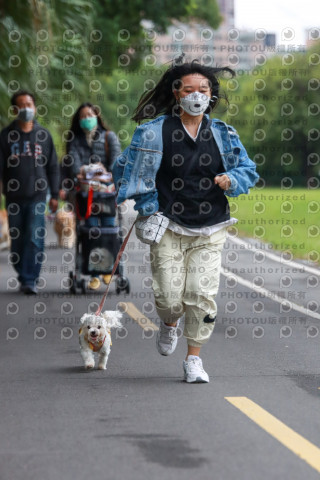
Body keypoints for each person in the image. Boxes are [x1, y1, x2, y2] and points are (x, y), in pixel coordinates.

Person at [112, 60, 259, 383]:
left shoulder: (224, 134)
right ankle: (168, 323)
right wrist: (141, 198)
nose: (196, 95)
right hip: (168, 225)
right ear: (176, 93)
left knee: (201, 295)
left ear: (211, 96)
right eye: (189, 89)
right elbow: (123, 166)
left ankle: (194, 359)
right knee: (168, 298)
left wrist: (231, 179)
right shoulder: (152, 132)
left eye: (203, 90)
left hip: (211, 226)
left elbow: (247, 170)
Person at [0, 90, 59, 294]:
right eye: (22, 105)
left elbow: (52, 166)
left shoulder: (43, 135)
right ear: (15, 109)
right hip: (14, 197)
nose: (26, 108)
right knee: (18, 239)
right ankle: (23, 272)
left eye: (29, 104)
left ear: (34, 108)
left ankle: (30, 278)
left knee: (35, 236)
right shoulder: (6, 136)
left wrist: (56, 193)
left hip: (38, 196)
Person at [61, 102, 121, 290]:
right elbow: (74, 167)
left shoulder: (109, 138)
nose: (86, 119)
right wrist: (86, 171)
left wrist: (102, 172)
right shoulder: (75, 141)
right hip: (85, 196)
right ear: (78, 121)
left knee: (109, 231)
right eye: (82, 116)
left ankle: (107, 269)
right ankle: (94, 273)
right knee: (90, 231)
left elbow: (116, 164)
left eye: (90, 115)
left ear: (97, 115)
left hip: (107, 195)